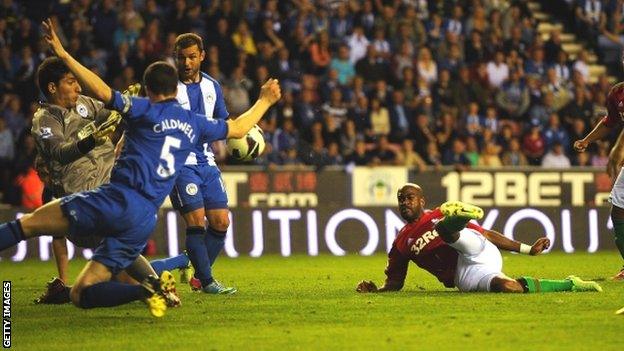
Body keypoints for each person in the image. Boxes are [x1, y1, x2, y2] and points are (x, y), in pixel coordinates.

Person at [0, 20, 281, 317]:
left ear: (148, 90)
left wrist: (64, 54)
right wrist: (265, 100)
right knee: (84, 292)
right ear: (176, 90)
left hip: (115, 199)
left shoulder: (142, 109)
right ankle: (148, 289)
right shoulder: (194, 124)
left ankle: (152, 281)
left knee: (27, 225)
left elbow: (101, 90)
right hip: (143, 220)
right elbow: (238, 128)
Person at [31, 57, 192, 304]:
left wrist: (126, 101)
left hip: (113, 189)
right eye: (71, 82)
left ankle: (158, 286)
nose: (78, 88)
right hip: (84, 198)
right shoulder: (46, 119)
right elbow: (61, 153)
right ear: (52, 88)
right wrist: (91, 141)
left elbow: (109, 108)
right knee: (117, 260)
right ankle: (163, 282)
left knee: (119, 274)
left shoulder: (85, 103)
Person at [356, 184, 602, 294]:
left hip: (478, 249)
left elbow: (485, 234)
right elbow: (396, 282)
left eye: (409, 197)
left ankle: (453, 226)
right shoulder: (401, 243)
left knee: (456, 234)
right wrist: (376, 290)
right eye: (400, 199)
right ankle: (570, 283)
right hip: (464, 275)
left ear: (422, 201)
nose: (404, 202)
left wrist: (529, 250)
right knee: (508, 287)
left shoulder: (439, 211)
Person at [169, 33, 240, 294]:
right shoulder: (168, 87)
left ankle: (196, 271)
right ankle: (207, 282)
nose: (186, 63)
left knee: (221, 221)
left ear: (202, 56)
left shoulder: (213, 86)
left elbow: (223, 122)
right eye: (181, 57)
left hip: (206, 161)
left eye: (191, 57)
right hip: (179, 162)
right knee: (197, 221)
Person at [574, 81, 624, 280]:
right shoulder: (617, 93)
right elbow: (610, 121)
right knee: (619, 210)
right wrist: (587, 140)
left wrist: (619, 146)